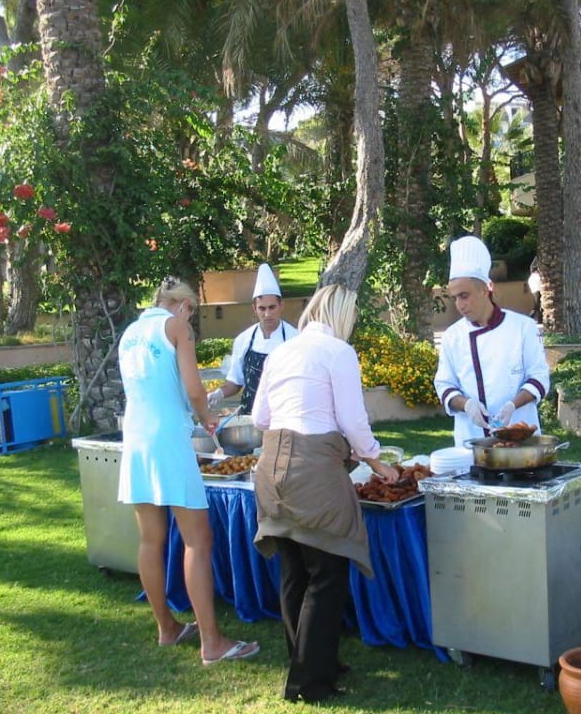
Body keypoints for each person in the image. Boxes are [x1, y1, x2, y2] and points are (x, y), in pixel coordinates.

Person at [250, 283, 399, 703]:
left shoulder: (282, 351)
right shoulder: (338, 352)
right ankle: (309, 682)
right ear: (342, 317)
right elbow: (353, 420)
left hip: (271, 468)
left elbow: (260, 417)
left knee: (294, 570)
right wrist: (376, 460)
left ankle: (310, 661)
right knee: (326, 575)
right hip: (312, 472)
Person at [118, 277, 259, 666]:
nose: (191, 320)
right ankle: (212, 643)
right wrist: (206, 418)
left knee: (150, 540)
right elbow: (195, 389)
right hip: (168, 440)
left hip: (136, 438)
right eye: (191, 312)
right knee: (198, 539)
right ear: (183, 306)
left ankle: (167, 628)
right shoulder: (176, 327)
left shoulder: (130, 333)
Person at [434, 236, 550, 447]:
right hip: (470, 442)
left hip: (521, 441)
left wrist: (512, 406)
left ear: (485, 289)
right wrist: (467, 405)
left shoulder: (523, 327)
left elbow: (539, 378)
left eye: (464, 295)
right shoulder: (452, 336)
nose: (459, 305)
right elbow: (444, 385)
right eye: (455, 297)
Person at [207, 263, 298, 413]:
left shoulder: (295, 339)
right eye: (262, 308)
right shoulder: (243, 340)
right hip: (250, 414)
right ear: (254, 308)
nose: (267, 314)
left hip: (284, 414)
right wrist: (219, 393)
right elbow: (235, 381)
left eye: (272, 307)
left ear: (281, 305)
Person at [528, 259, 543, 323]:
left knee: (539, 306)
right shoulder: (536, 276)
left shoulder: (531, 277)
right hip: (537, 291)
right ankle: (529, 318)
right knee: (536, 306)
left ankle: (540, 320)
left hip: (535, 291)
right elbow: (540, 282)